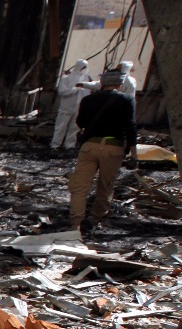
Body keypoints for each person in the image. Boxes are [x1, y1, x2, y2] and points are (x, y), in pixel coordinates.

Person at [67, 69, 136, 235]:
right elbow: (131, 127)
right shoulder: (127, 99)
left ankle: (75, 224)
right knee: (105, 187)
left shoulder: (88, 100)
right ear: (120, 84)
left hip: (90, 146)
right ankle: (94, 220)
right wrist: (134, 155)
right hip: (114, 148)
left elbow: (81, 122)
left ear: (102, 83)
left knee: (80, 187)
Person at [51, 59, 97, 151]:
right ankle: (55, 145)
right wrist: (75, 89)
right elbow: (62, 91)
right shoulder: (66, 78)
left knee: (74, 128)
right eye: (83, 67)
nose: (85, 69)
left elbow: (88, 92)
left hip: (79, 107)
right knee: (61, 127)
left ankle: (70, 145)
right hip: (66, 107)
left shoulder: (86, 79)